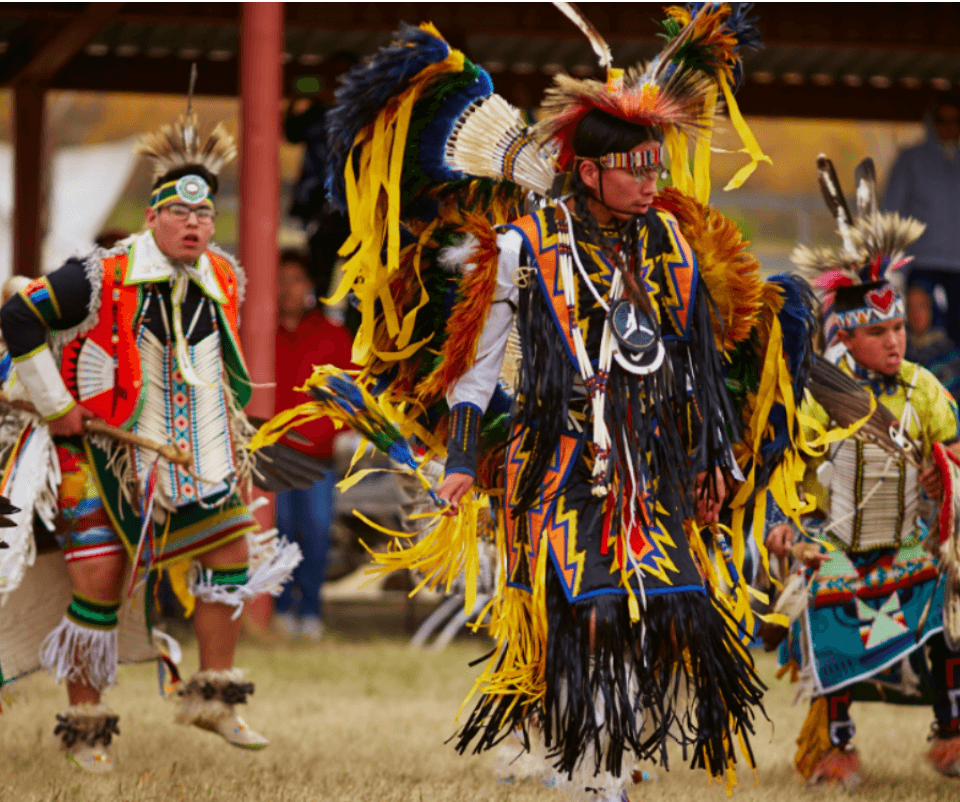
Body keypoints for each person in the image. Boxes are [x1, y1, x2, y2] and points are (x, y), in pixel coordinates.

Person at [282, 8, 822, 802]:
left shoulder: (675, 249)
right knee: (591, 610)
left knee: (656, 614)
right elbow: (473, 370)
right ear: (592, 170)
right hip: (559, 461)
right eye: (635, 168)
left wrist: (715, 457)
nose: (651, 182)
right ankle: (594, 764)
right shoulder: (522, 250)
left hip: (654, 460)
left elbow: (701, 365)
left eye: (656, 167)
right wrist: (466, 458)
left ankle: (605, 743)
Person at [0, 113, 298, 772]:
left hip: (189, 456)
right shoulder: (99, 275)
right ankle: (87, 732)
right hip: (96, 457)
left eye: (206, 215)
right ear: (153, 217)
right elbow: (18, 316)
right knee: (101, 582)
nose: (195, 224)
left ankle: (213, 698)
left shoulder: (222, 277)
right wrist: (57, 408)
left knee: (229, 549)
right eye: (180, 213)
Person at [772, 156, 960, 789]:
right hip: (839, 548)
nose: (895, 342)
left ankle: (953, 730)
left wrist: (946, 488)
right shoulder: (818, 391)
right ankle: (836, 747)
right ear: (846, 339)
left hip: (909, 543)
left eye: (899, 328)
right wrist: (780, 525)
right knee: (824, 604)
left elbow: (957, 459)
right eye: (878, 331)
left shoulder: (925, 390)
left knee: (951, 593)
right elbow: (784, 469)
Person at [273, 249, 353, 640]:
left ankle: (311, 611)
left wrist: (329, 430)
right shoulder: (255, 335)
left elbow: (354, 395)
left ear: (310, 288)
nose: (287, 288)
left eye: (295, 279)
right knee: (277, 530)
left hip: (316, 456)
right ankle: (280, 607)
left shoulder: (333, 336)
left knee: (317, 531)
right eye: (280, 279)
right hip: (269, 457)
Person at [884, 94, 960, 344]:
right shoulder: (910, 160)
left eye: (955, 120)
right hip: (921, 265)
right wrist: (894, 266)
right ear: (931, 122)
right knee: (922, 338)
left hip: (958, 268)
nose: (948, 126)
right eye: (942, 120)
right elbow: (892, 213)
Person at [285, 52, 357, 299]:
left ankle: (353, 327)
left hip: (356, 207)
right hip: (318, 204)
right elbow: (292, 132)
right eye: (337, 78)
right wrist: (301, 98)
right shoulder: (318, 109)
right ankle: (311, 321)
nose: (341, 85)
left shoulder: (365, 114)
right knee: (317, 275)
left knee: (358, 277)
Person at [906, 283, 960, 399]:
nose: (916, 313)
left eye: (922, 305)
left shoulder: (951, 355)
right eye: (910, 307)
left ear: (932, 307)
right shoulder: (902, 352)